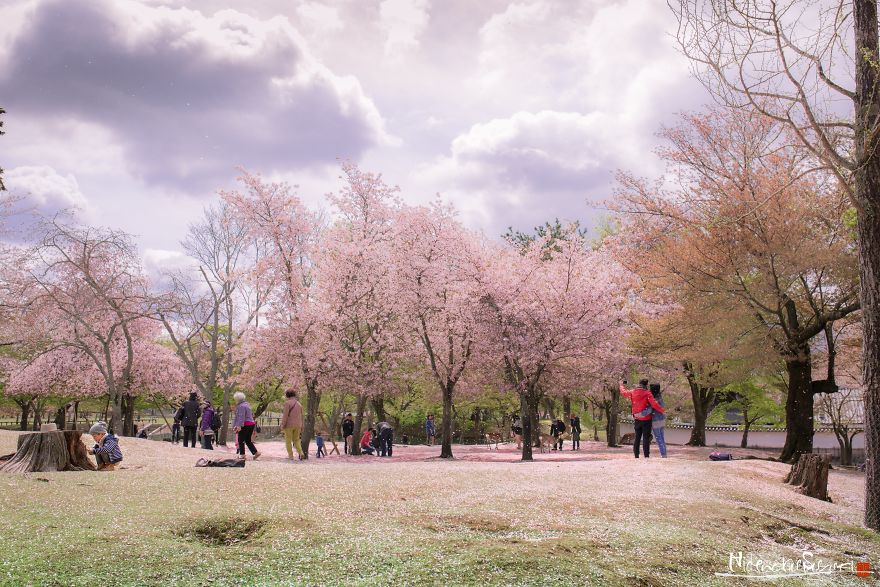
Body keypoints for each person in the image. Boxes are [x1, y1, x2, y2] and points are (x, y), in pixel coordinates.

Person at [620, 379, 665, 458]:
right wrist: (662, 410)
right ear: (646, 385)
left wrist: (621, 385)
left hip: (637, 418)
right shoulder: (647, 393)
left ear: (639, 383)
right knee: (646, 438)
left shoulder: (633, 391)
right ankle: (646, 455)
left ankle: (636, 455)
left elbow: (624, 393)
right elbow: (654, 404)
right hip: (646, 419)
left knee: (637, 437)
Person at [232, 392, 260, 460]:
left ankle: (242, 455)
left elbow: (241, 417)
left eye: (235, 399)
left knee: (240, 439)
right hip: (251, 424)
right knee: (248, 440)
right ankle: (256, 453)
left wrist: (238, 426)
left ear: (238, 399)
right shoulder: (247, 405)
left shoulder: (241, 406)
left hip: (245, 424)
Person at [280, 389, 305, 461]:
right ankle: (301, 452)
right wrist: (302, 426)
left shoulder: (287, 403)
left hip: (289, 425)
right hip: (298, 425)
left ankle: (291, 456)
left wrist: (282, 425)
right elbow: (302, 416)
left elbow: (285, 415)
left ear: (287, 395)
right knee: (296, 440)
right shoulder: (299, 404)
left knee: (288, 440)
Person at [649, 384, 668, 458]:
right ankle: (664, 453)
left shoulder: (654, 399)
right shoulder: (660, 397)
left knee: (659, 438)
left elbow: (650, 409)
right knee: (662, 437)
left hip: (655, 420)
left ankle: (663, 454)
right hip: (662, 419)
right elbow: (663, 407)